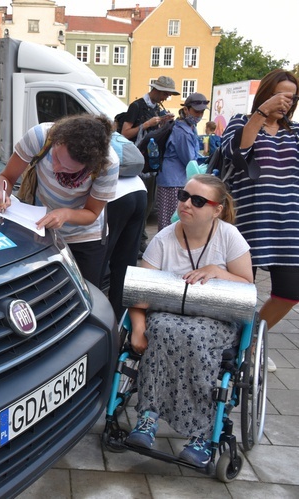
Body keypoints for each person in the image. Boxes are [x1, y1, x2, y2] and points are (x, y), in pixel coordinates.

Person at [126, 174, 253, 467]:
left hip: (215, 320)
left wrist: (217, 271)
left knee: (196, 338)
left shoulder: (228, 237)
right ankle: (148, 417)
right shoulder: (163, 239)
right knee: (160, 329)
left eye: (198, 201)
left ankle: (203, 433)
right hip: (168, 317)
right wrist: (138, 328)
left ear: (217, 209)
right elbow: (141, 293)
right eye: (184, 196)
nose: (186, 204)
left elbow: (248, 287)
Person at [221, 68, 299, 373]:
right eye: (281, 94)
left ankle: (252, 339)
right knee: (243, 292)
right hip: (248, 220)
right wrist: (261, 114)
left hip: (288, 223)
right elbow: (236, 153)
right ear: (266, 93)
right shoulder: (241, 122)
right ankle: (234, 348)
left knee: (291, 291)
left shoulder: (294, 133)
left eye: (292, 98)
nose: (286, 102)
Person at [0, 114, 117, 288]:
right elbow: (7, 177)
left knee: (83, 292)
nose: (56, 168)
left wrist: (65, 214)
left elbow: (92, 213)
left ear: (89, 166)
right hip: (42, 231)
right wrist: (1, 192)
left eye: (68, 169)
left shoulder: (107, 164)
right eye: (56, 157)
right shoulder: (41, 136)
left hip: (85, 239)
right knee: (44, 289)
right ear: (58, 140)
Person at [119, 76, 178, 256]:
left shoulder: (157, 108)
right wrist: (147, 124)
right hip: (136, 162)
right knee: (139, 205)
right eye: (166, 93)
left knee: (147, 204)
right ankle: (134, 241)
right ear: (157, 90)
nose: (166, 97)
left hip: (151, 162)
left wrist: (164, 122)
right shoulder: (136, 106)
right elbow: (125, 133)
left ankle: (139, 240)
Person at [104, 132, 147, 321]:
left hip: (114, 195)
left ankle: (97, 320)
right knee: (125, 264)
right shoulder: (113, 136)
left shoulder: (82, 137)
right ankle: (118, 321)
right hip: (139, 190)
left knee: (99, 260)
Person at [156, 92, 209, 231]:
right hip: (173, 183)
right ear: (186, 110)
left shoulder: (188, 128)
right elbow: (190, 161)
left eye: (202, 112)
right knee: (171, 226)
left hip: (175, 181)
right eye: (196, 111)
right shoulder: (182, 132)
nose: (199, 115)